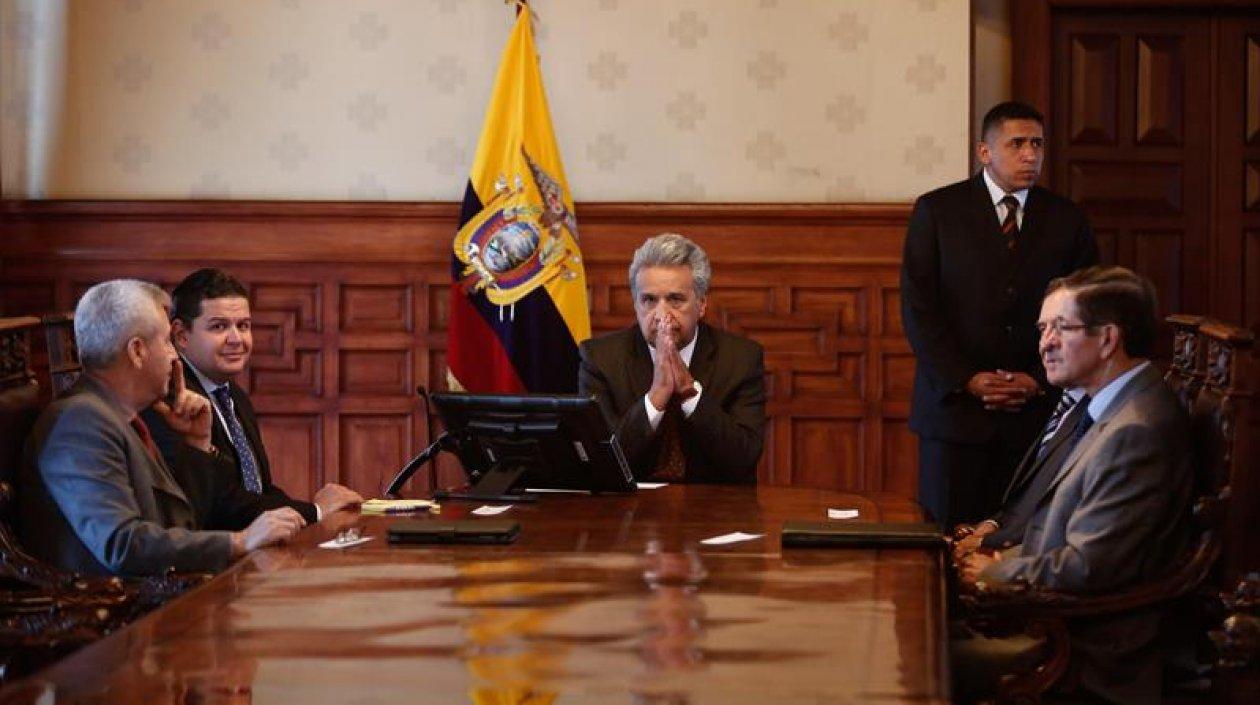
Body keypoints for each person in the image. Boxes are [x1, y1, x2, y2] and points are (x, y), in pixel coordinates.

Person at [957, 266, 1193, 704]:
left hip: (1091, 648)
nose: (1045, 343)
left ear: (1108, 339)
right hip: (1052, 615)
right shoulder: (1105, 405)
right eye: (1043, 328)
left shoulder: (1136, 430)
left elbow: (1089, 566)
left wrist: (997, 571)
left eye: (1061, 328)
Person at [18, 279, 305, 576]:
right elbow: (122, 544)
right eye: (168, 340)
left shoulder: (123, 416)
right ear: (137, 351)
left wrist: (197, 446)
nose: (173, 355)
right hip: (121, 611)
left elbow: (184, 524)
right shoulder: (80, 422)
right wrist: (239, 541)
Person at [901, 100, 1099, 527]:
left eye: (1038, 144)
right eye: (1017, 144)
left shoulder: (1067, 219)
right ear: (985, 152)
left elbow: (1086, 309)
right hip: (954, 415)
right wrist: (967, 379)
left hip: (1037, 413)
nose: (1031, 154)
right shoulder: (938, 211)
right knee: (946, 541)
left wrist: (1039, 378)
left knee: (1027, 539)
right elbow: (920, 311)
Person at [142, 268, 362, 530]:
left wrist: (311, 510)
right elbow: (220, 504)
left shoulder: (233, 395)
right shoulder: (172, 400)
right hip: (213, 559)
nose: (237, 339)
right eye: (219, 326)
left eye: (243, 326)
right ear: (181, 335)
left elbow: (258, 491)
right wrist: (315, 511)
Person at [578, 233, 765, 483]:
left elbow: (743, 459)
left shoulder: (741, 359)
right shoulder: (600, 359)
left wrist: (689, 393)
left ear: (701, 304)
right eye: (649, 300)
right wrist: (655, 398)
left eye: (675, 300)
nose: (661, 314)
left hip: (715, 511)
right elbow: (602, 464)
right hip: (629, 512)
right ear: (635, 304)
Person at [952, 386, 1087, 555]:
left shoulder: (1096, 415)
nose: (1045, 357)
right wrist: (994, 523)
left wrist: (996, 557)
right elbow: (1030, 494)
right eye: (1041, 356)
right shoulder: (1066, 403)